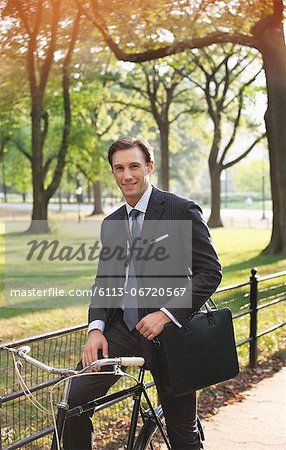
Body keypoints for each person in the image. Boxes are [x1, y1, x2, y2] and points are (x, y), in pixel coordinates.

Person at [61, 136, 222, 450]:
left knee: (182, 437)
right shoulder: (112, 222)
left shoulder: (180, 209)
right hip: (123, 331)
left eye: (134, 166)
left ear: (149, 167)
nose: (127, 175)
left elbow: (210, 272)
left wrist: (166, 314)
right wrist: (96, 329)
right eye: (119, 168)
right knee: (73, 402)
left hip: (173, 336)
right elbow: (105, 282)